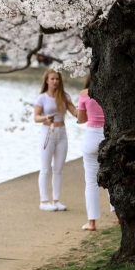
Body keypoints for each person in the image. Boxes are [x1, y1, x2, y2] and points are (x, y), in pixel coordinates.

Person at [33, 69, 76, 211]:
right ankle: (44, 201)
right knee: (45, 168)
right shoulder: (42, 98)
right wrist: (46, 117)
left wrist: (85, 104)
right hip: (48, 132)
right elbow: (36, 117)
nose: (55, 81)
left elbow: (75, 112)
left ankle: (56, 200)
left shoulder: (64, 96)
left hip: (62, 133)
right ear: (47, 80)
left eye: (57, 79)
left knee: (58, 169)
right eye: (52, 79)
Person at [77, 75, 113, 231]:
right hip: (108, 136)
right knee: (113, 177)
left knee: (91, 182)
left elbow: (81, 119)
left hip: (91, 137)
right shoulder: (110, 92)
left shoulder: (84, 93)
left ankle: (91, 223)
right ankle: (118, 214)